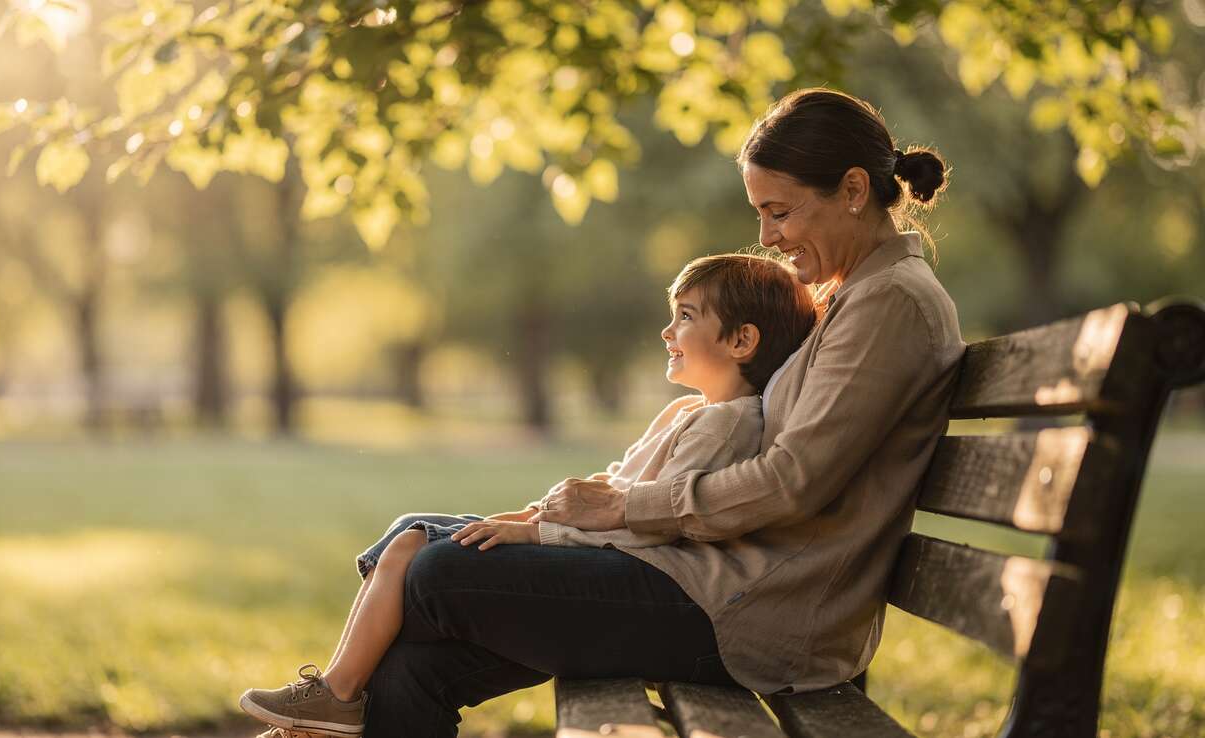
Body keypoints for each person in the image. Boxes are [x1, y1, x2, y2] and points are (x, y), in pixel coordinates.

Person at [253, 86, 963, 738]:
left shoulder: (890, 302)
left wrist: (620, 510)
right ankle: (337, 700)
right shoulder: (850, 296)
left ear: (852, 190)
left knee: (436, 576)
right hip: (708, 580)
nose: (769, 237)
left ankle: (332, 699)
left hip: (751, 613)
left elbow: (790, 481)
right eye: (761, 215)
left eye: (780, 212)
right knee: (414, 662)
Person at [237, 253, 817, 737]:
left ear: (742, 340)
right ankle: (338, 695)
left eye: (686, 317)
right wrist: (530, 515)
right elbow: (612, 487)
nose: (668, 332)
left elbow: (651, 523)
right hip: (608, 559)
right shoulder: (688, 411)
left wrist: (536, 533)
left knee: (420, 552)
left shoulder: (729, 425)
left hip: (637, 571)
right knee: (411, 561)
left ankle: (336, 693)